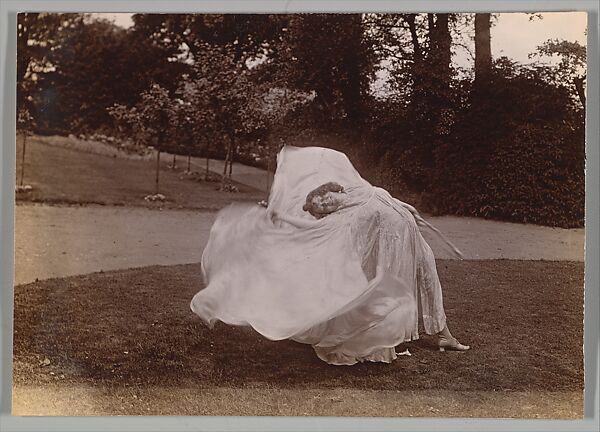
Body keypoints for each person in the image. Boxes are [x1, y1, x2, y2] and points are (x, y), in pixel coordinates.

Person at [191, 145, 469, 366]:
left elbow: (398, 204)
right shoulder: (344, 217)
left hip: (409, 234)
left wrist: (418, 218)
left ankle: (444, 335)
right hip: (393, 244)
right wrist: (282, 216)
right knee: (392, 287)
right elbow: (310, 226)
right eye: (320, 206)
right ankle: (387, 339)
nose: (324, 204)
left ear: (331, 191)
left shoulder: (362, 190)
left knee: (429, 276)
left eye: (323, 199)